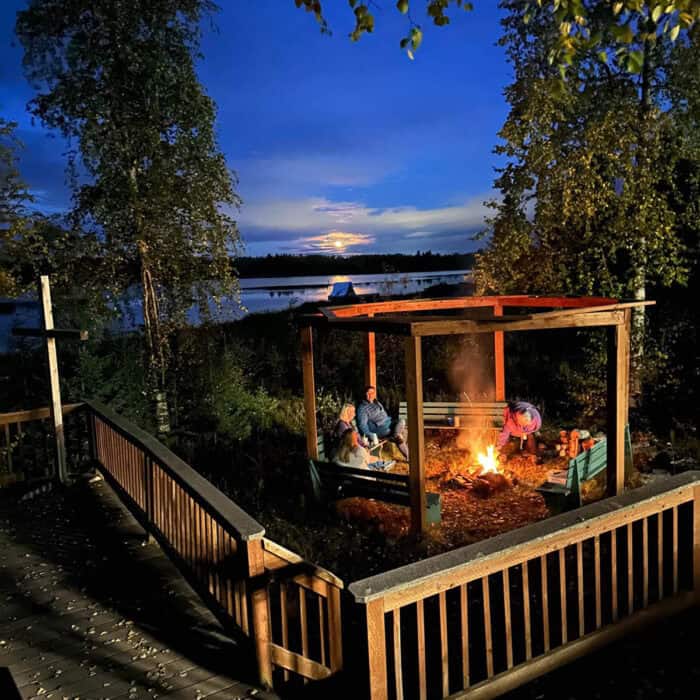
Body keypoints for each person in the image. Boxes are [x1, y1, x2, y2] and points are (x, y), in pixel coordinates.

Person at [357, 385, 409, 459]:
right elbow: (362, 425)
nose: (371, 395)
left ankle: (395, 437)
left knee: (403, 428)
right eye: (368, 393)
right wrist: (370, 434)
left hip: (387, 422)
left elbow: (384, 414)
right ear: (364, 394)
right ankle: (395, 437)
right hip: (380, 428)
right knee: (402, 425)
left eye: (372, 393)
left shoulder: (376, 402)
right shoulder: (362, 408)